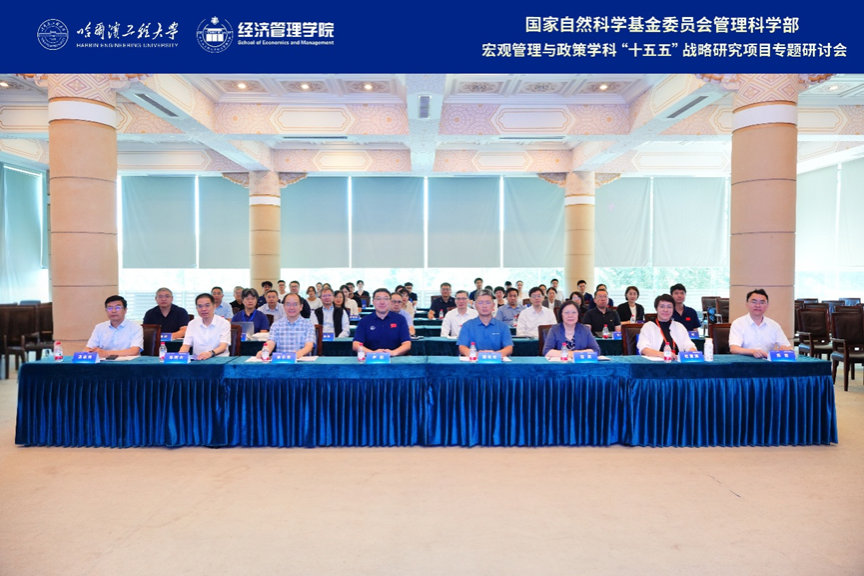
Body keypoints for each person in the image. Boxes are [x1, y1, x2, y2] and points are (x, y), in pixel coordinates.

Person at [729, 289, 792, 358]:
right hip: (744, 362)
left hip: (767, 362)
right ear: (746, 304)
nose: (758, 305)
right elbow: (734, 349)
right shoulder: (738, 323)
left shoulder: (774, 325)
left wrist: (786, 349)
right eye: (754, 302)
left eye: (762, 302)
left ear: (767, 305)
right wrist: (753, 352)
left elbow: (789, 347)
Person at [352, 288, 411, 356]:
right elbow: (356, 345)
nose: (382, 302)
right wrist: (373, 353)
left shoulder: (400, 319)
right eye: (378, 299)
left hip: (396, 358)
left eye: (385, 299)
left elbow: (407, 344)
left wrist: (393, 353)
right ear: (373, 302)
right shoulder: (364, 321)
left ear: (390, 302)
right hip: (371, 359)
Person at [257, 293, 316, 359]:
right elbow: (270, 343)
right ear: (284, 306)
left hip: (301, 362)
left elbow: (309, 346)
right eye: (288, 304)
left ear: (301, 307)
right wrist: (264, 352)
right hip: (281, 362)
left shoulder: (308, 325)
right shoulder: (276, 325)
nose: (291, 307)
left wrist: (299, 354)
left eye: (295, 304)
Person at [638, 294, 697, 359]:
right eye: (662, 306)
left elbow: (688, 344)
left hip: (677, 362)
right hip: (655, 363)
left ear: (673, 309)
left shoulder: (679, 326)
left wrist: (692, 351)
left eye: (669, 307)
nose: (665, 310)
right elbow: (644, 349)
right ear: (656, 308)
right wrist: (663, 354)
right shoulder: (648, 327)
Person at [457, 290, 514, 357]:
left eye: (488, 302)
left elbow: (509, 348)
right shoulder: (467, 326)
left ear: (493, 305)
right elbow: (462, 348)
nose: (484, 306)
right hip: (474, 361)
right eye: (480, 303)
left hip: (497, 361)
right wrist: (477, 355)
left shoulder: (503, 326)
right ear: (475, 306)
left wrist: (493, 355)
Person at [180, 293, 231, 359]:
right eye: (200, 306)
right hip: (198, 361)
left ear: (214, 306)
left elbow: (223, 347)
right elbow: (186, 345)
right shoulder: (192, 324)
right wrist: (180, 357)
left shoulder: (224, 323)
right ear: (196, 308)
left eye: (207, 305)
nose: (203, 309)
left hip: (219, 360)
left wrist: (209, 353)